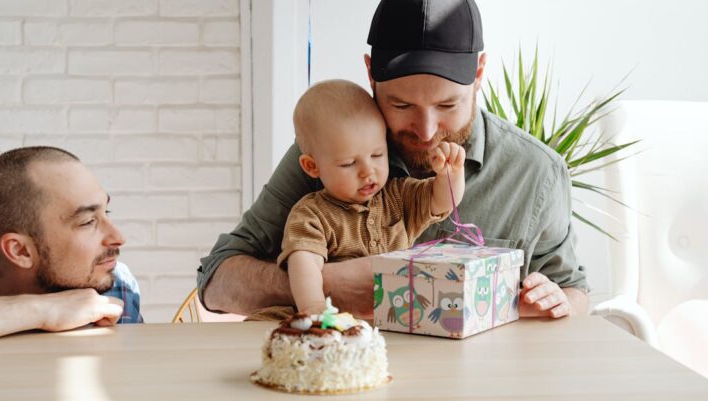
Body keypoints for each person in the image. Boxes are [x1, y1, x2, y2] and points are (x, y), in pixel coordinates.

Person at [199, 0, 589, 320]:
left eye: (447, 104)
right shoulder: (335, 154)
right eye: (401, 104)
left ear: (479, 74)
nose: (425, 130)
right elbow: (216, 281)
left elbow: (576, 293)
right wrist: (324, 286)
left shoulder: (537, 173)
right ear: (371, 76)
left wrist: (558, 301)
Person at [281, 79, 465, 314]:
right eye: (348, 163)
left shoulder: (399, 195)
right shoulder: (311, 215)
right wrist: (314, 308)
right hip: (337, 320)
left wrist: (451, 174)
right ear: (312, 166)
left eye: (377, 155)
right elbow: (304, 263)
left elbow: (442, 202)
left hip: (396, 317)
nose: (368, 171)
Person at [0, 146, 142, 349]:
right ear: (20, 251)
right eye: (88, 222)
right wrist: (46, 310)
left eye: (106, 211)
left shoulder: (115, 286)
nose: (118, 238)